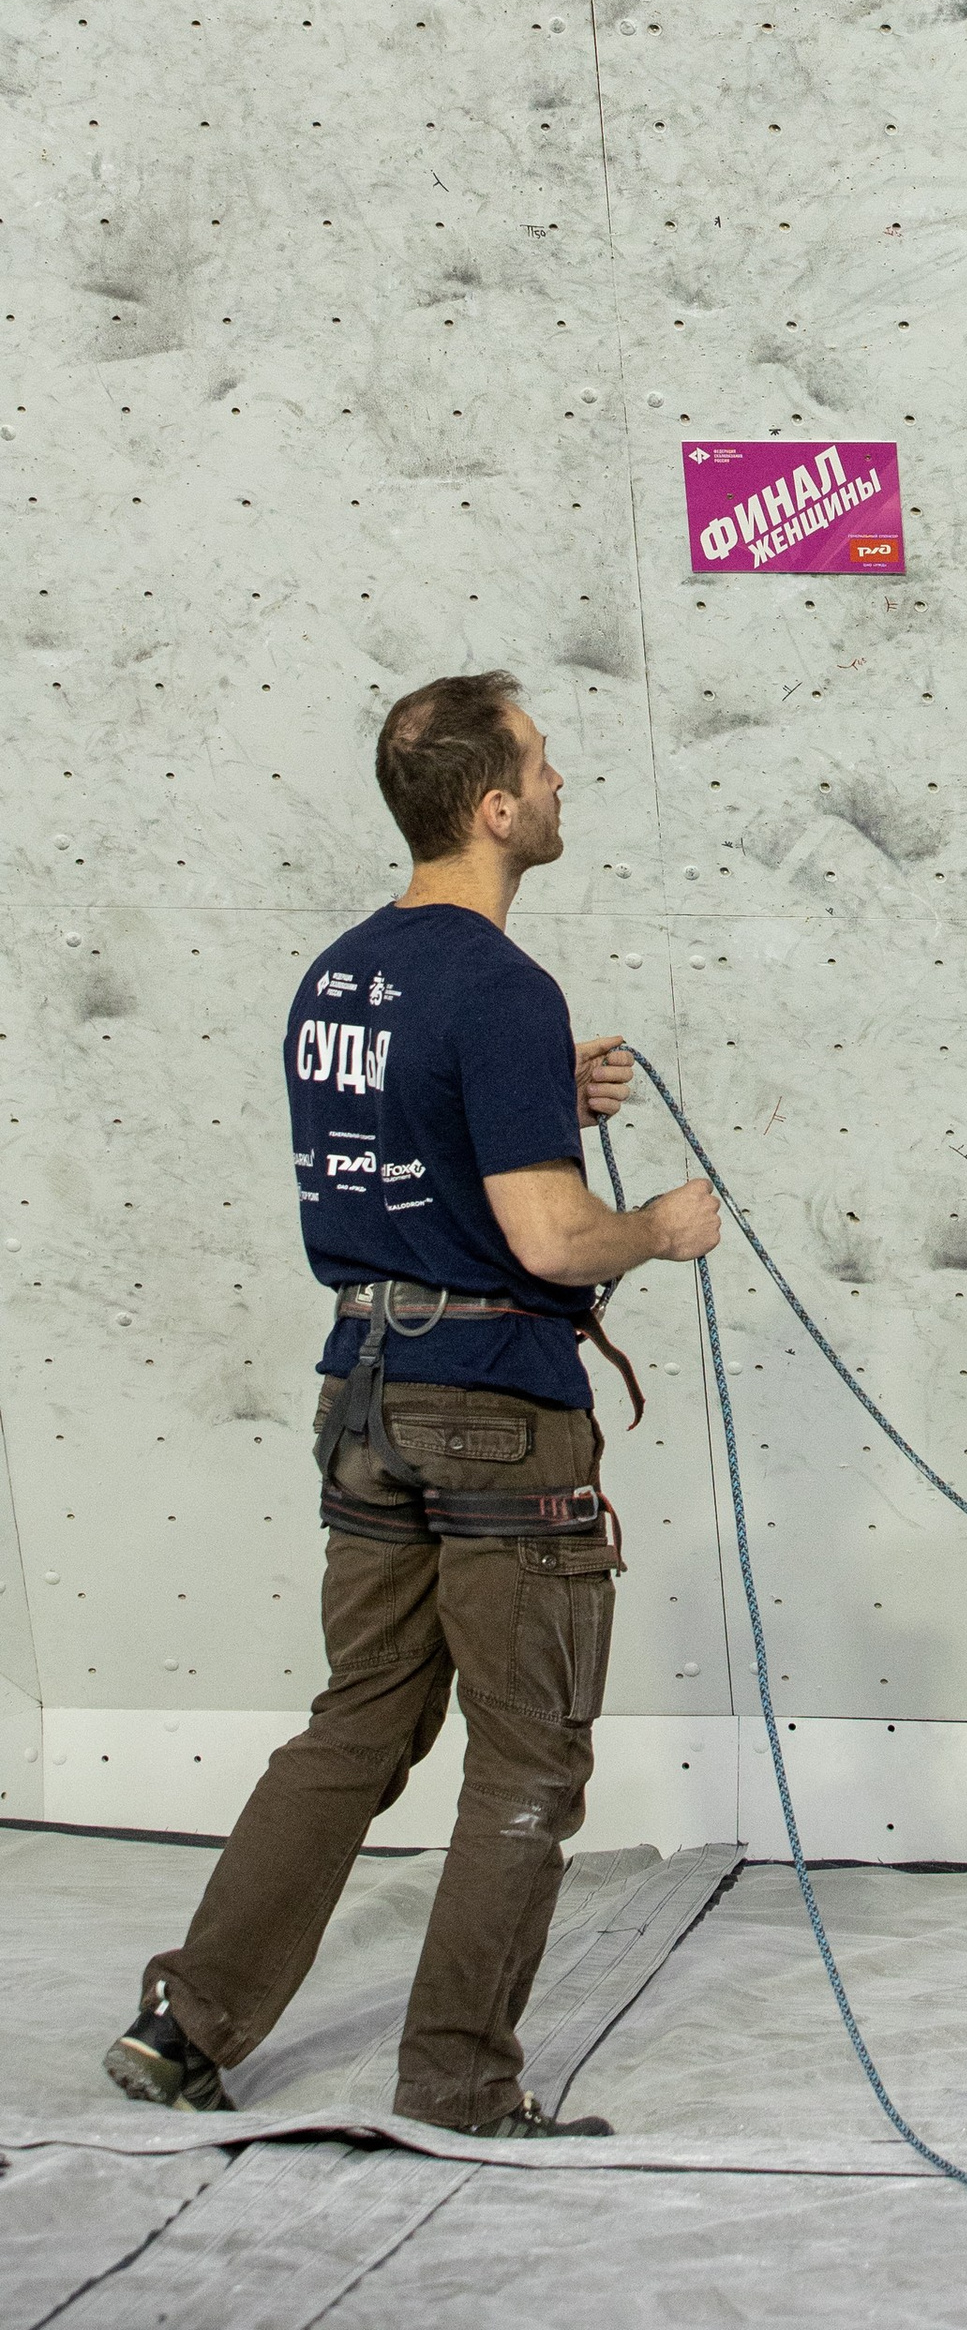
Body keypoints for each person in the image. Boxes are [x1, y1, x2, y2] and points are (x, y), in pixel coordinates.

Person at [105, 672, 720, 2137]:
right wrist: (658, 1229)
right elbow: (549, 1241)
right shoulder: (502, 985)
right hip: (495, 1411)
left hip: (365, 1400)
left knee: (359, 1724)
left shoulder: (340, 974)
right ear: (494, 808)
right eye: (542, 765)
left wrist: (538, 1091)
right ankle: (457, 2089)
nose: (559, 783)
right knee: (528, 1759)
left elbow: (407, 1130)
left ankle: (186, 2025)